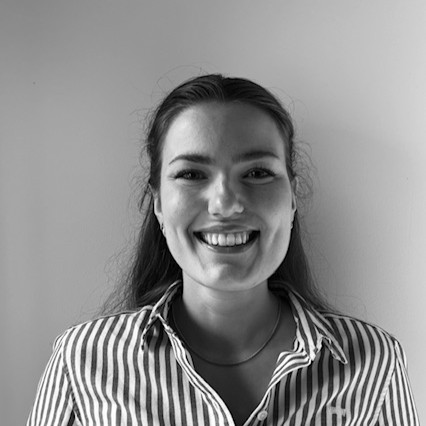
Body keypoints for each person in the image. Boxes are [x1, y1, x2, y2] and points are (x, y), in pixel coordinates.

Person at [27, 74, 419, 425]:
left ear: (293, 197)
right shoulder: (83, 361)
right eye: (191, 174)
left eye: (257, 173)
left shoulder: (373, 362)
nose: (225, 203)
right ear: (158, 203)